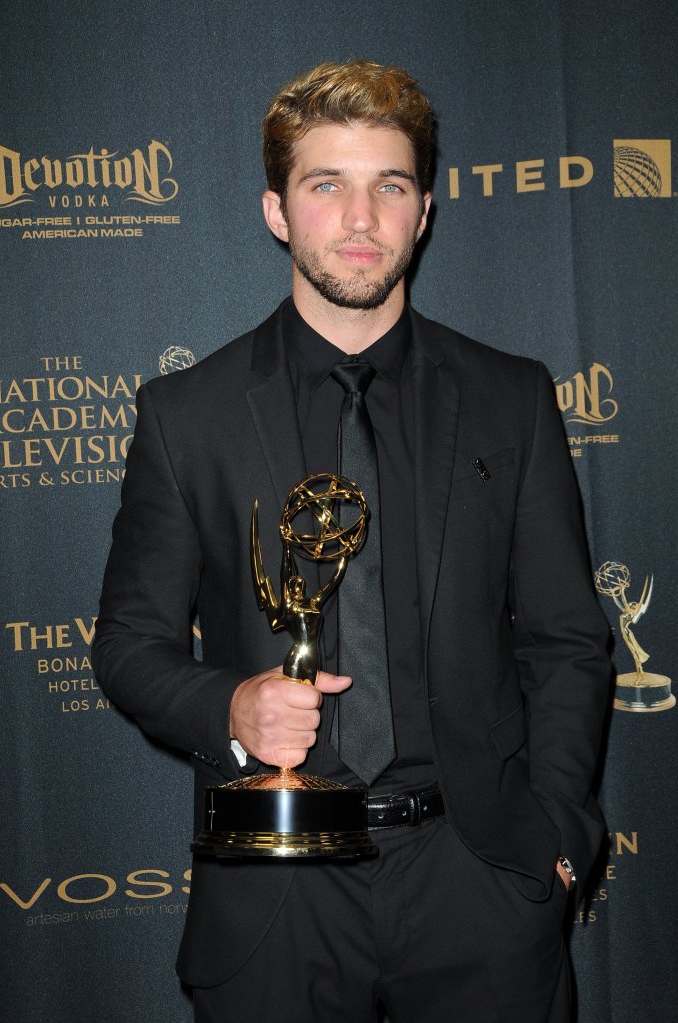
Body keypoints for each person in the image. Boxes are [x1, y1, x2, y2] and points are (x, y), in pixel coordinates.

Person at [92, 59, 610, 1023]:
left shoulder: (512, 398)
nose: (361, 219)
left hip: (480, 882)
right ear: (278, 212)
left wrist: (559, 835)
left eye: (391, 186)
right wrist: (233, 705)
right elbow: (127, 643)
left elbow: (567, 640)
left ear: (425, 210)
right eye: (326, 185)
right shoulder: (186, 413)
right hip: (274, 891)